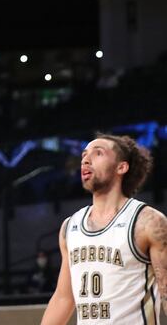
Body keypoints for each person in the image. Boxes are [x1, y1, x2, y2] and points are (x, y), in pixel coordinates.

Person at [42, 134, 167, 324]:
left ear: (121, 167)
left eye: (98, 153)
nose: (85, 159)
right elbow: (64, 298)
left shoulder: (148, 222)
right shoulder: (70, 226)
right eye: (84, 154)